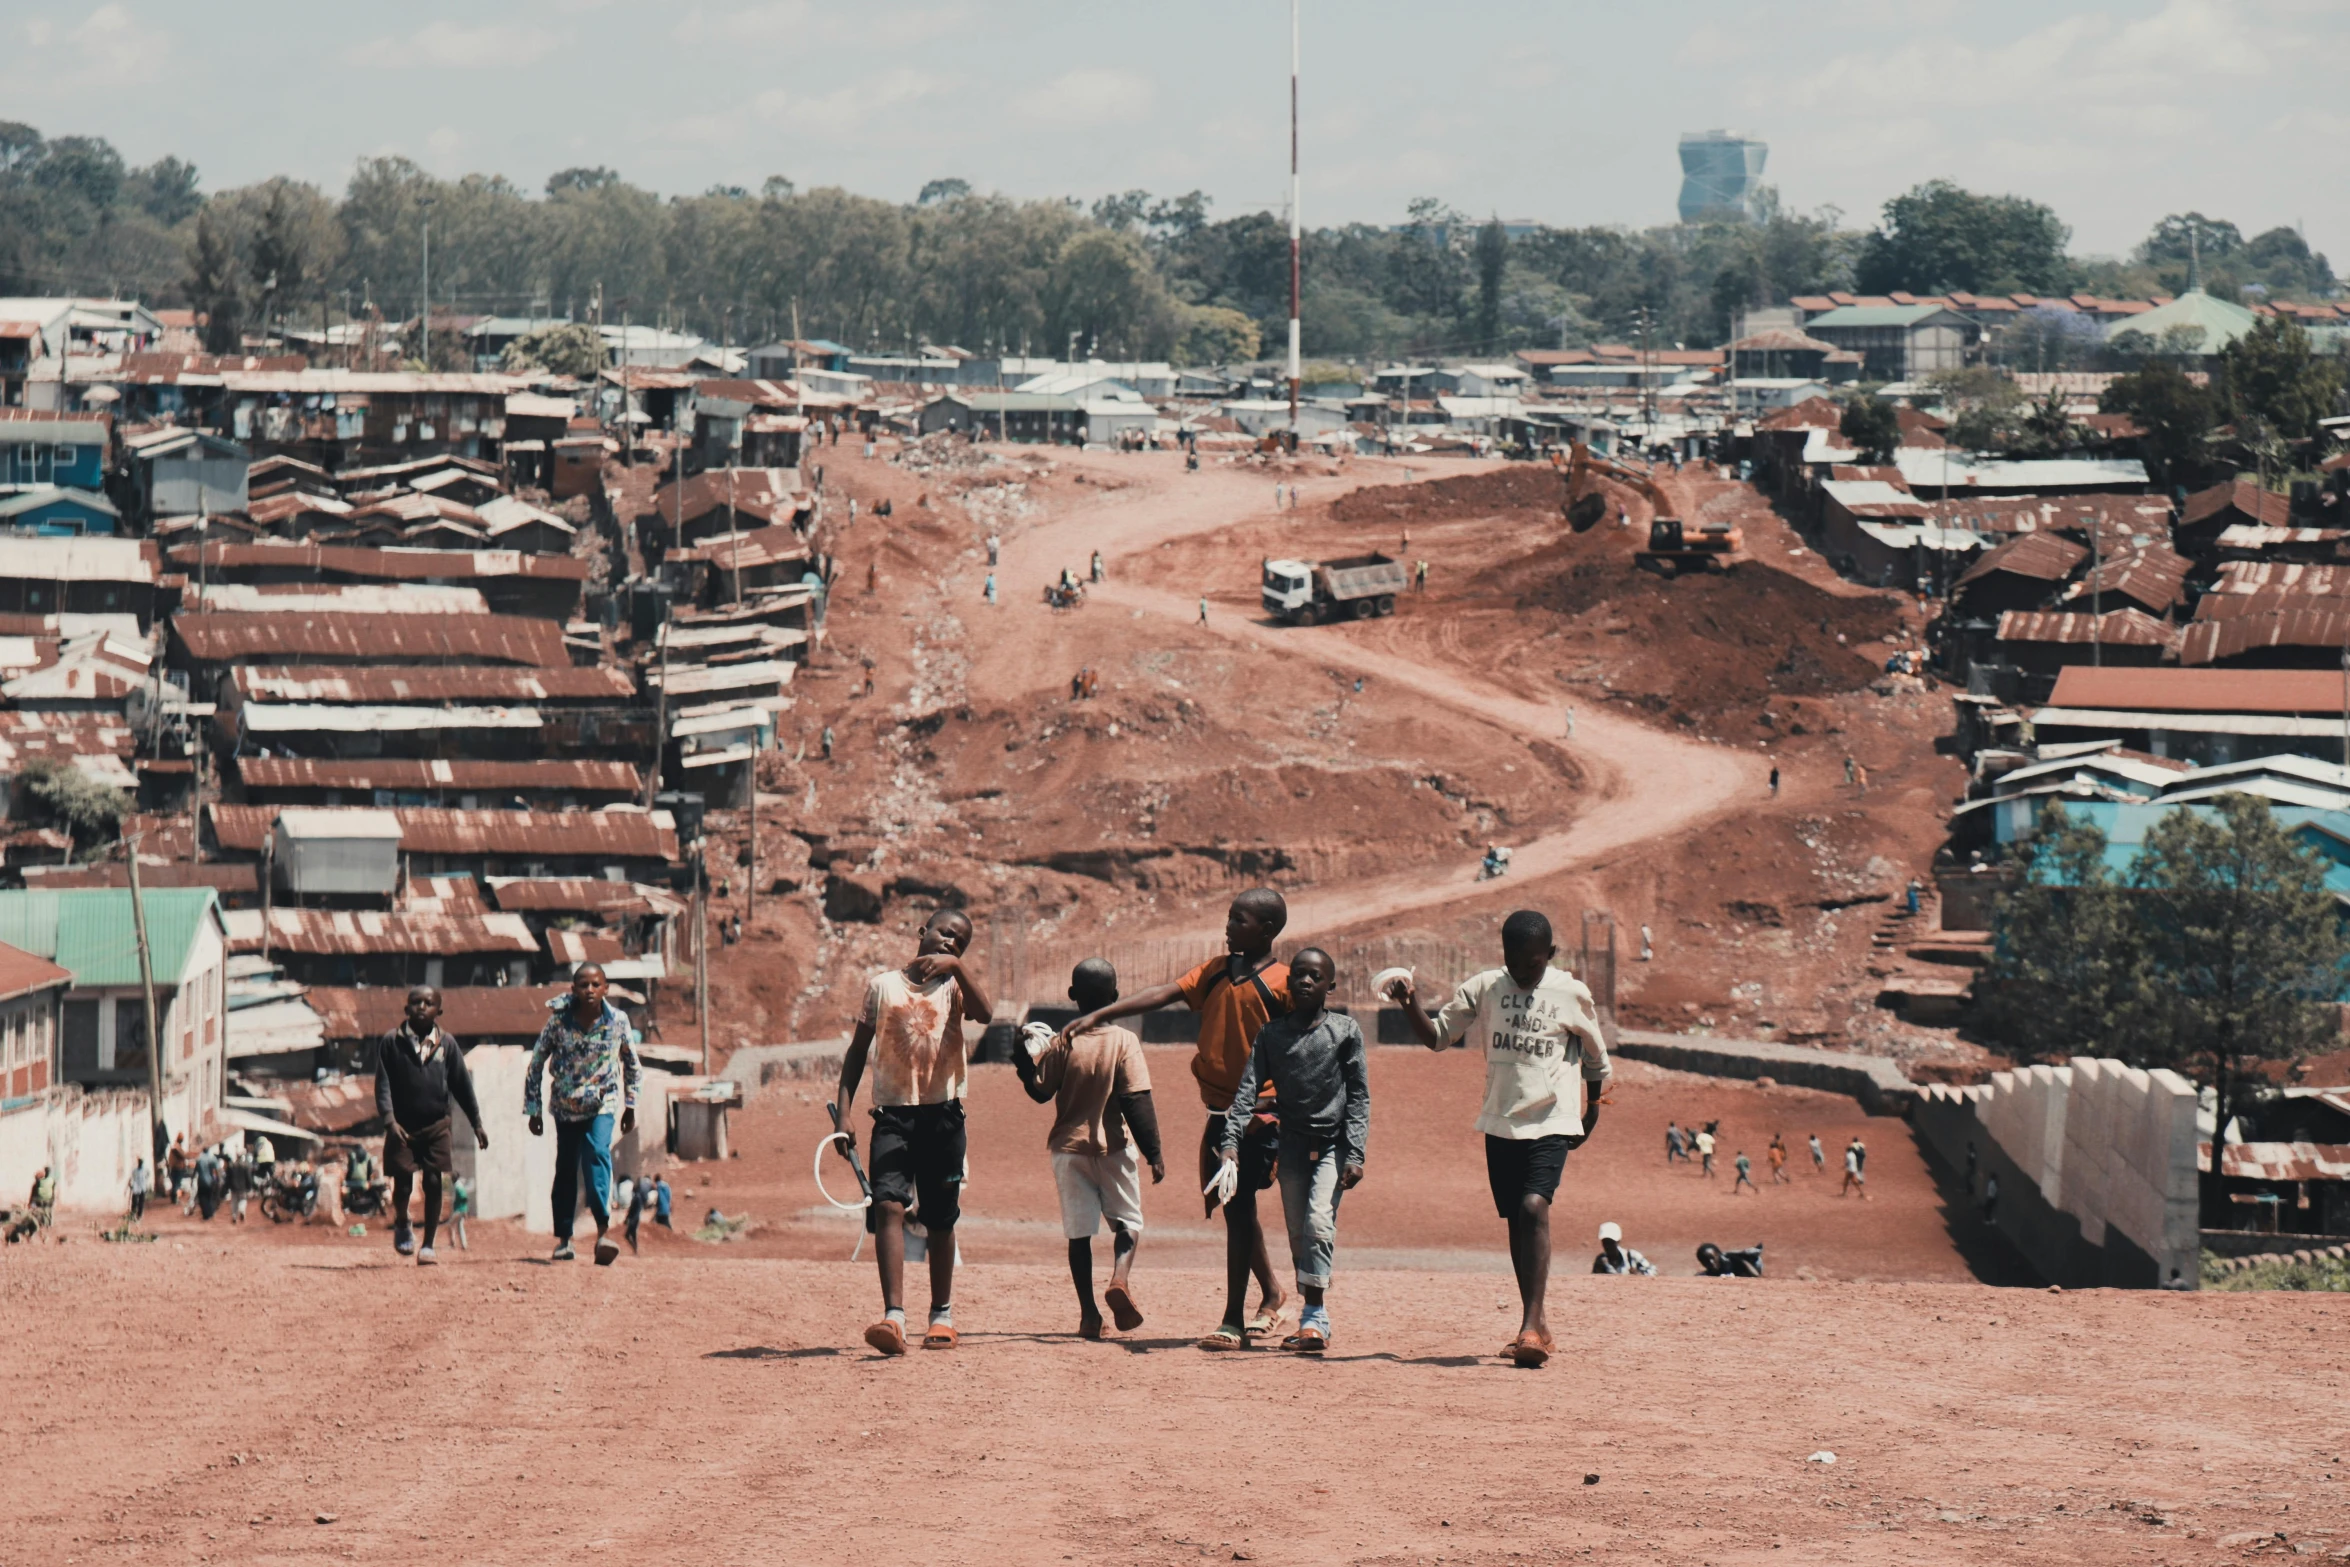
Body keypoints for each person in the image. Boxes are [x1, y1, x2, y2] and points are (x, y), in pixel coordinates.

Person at [1058, 888, 1294, 1347]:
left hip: (1265, 1113)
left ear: (1265, 930)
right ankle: (1271, 1293)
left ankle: (1233, 1319)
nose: (1228, 926)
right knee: (1235, 1206)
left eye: (1238, 919)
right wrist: (1103, 1013)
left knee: (1241, 1203)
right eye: (1229, 917)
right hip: (1220, 1113)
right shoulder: (1217, 971)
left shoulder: (1283, 981)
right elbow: (1164, 993)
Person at [1390, 909, 1611, 1369]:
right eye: (1513, 962)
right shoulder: (1486, 987)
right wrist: (1409, 1003)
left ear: (1549, 955)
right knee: (1516, 1220)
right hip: (1500, 1120)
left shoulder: (1571, 993)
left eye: (1532, 964)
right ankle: (1538, 1324)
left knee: (1534, 1206)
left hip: (1552, 1118)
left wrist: (1590, 1112)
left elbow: (1596, 1057)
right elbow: (1438, 1037)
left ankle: (1529, 1325)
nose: (1522, 971)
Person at [832, 908, 995, 1355]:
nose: (950, 943)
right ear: (923, 931)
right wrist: (843, 1114)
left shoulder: (955, 989)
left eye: (960, 943)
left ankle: (941, 1315)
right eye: (945, 934)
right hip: (893, 1116)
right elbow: (856, 1053)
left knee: (941, 1217)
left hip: (943, 1116)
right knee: (887, 1205)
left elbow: (986, 1013)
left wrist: (958, 969)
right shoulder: (882, 986)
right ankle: (894, 1316)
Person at [1216, 948, 1367, 1354]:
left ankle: (1315, 1318)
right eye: (1298, 974)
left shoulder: (1345, 1031)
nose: (1304, 981)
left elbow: (1358, 1097)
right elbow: (1247, 1092)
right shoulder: (1272, 1035)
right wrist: (1230, 1144)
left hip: (1333, 1146)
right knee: (1300, 1233)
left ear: (1329, 986)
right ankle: (1310, 1311)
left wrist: (1356, 1152)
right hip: (1293, 1146)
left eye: (1315, 976)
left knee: (1319, 1221)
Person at [1012, 959, 1164, 1340]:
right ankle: (1119, 1278)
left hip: (1068, 1149)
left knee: (1078, 1235)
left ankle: (1089, 1315)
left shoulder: (1064, 1039)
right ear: (1114, 997)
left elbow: (1040, 1093)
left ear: (1071, 996)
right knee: (1128, 1222)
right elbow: (1136, 1101)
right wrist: (1154, 1152)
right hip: (1114, 1148)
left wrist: (1021, 1059)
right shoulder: (1124, 1041)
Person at [525, 964, 642, 1266]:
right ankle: (565, 1239)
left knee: (597, 1153)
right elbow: (536, 1063)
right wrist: (534, 1110)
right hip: (566, 1106)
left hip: (602, 1103)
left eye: (595, 984)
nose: (589, 990)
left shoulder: (617, 1021)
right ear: (574, 989)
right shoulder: (558, 1023)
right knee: (566, 1168)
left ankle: (603, 1232)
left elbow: (631, 1064)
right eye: (583, 985)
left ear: (606, 988)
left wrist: (630, 1106)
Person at [378, 985, 488, 1265]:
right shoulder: (392, 1042)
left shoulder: (447, 1045)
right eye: (416, 1002)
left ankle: (428, 1244)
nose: (422, 1007)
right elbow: (383, 1085)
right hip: (402, 1127)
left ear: (439, 1010)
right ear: (406, 1009)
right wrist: (390, 1121)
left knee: (433, 1181)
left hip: (437, 1126)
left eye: (429, 1003)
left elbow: (462, 1086)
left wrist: (476, 1123)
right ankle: (402, 1221)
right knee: (402, 1186)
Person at [1697, 1242, 1765, 1278]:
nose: (1711, 1262)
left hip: (1754, 1263)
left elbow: (1755, 1274)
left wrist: (1740, 1259)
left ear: (1718, 1255)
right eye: (1705, 1260)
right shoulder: (1710, 1271)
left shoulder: (1728, 1261)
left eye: (1712, 1258)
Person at [227, 1147, 254, 1223]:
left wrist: (228, 1186)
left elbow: (228, 1177)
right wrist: (250, 1186)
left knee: (234, 1202)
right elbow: (248, 1177)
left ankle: (234, 1216)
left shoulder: (232, 1165)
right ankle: (241, 1210)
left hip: (234, 1187)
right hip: (243, 1187)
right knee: (243, 1200)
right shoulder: (245, 1166)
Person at [167, 1134, 192, 1213]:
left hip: (176, 1168)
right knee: (177, 1184)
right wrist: (189, 1155)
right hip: (177, 1168)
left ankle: (174, 1198)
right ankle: (175, 1199)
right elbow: (183, 1155)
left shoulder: (176, 1147)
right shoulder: (176, 1147)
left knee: (176, 1184)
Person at [626, 1170, 648, 1254]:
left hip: (633, 1219)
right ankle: (635, 1249)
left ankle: (635, 1249)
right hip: (635, 1218)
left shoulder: (636, 1197)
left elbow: (632, 1209)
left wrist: (627, 1219)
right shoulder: (638, 1197)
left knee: (628, 1235)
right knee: (632, 1234)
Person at [450, 1173, 472, 1251]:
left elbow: (464, 1197)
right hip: (461, 1210)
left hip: (459, 1210)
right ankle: (463, 1245)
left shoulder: (457, 1186)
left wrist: (465, 1210)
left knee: (451, 1224)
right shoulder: (459, 1185)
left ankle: (453, 1243)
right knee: (460, 1226)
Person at [127, 1158, 149, 1223]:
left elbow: (148, 1176)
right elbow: (131, 1178)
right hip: (136, 1188)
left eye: (141, 1162)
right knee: (134, 1202)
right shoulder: (134, 1171)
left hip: (143, 1187)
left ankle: (139, 1215)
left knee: (141, 1202)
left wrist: (146, 1183)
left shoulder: (145, 1170)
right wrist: (130, 1185)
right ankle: (133, 1214)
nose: (140, 1163)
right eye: (139, 1162)